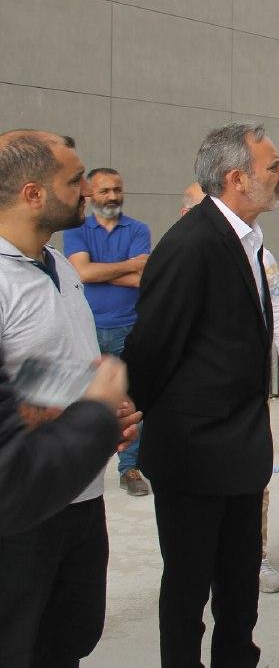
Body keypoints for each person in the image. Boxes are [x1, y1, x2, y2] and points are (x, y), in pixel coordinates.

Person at [123, 123, 279, 666]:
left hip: (240, 452)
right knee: (188, 589)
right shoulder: (191, 244)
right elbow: (151, 347)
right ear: (237, 178)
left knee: (239, 589)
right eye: (273, 167)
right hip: (193, 456)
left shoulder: (246, 239)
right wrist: (138, 413)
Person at [0, 129, 141, 667]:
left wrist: (101, 411)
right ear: (33, 194)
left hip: (81, 496)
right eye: (75, 180)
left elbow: (36, 371)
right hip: (21, 510)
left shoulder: (59, 264)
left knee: (71, 637)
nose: (87, 190)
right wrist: (82, 412)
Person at [179, 182, 279, 595]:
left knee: (252, 477)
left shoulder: (260, 257)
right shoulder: (179, 256)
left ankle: (254, 556)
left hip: (246, 397)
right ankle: (200, 564)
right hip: (193, 402)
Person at [62, 166, 152, 496]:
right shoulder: (76, 229)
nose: (112, 196)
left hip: (129, 328)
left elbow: (143, 278)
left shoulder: (138, 229)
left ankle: (130, 468)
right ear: (91, 195)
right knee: (82, 400)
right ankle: (83, 466)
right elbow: (81, 273)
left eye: (117, 189)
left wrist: (97, 272)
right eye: (104, 191)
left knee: (130, 401)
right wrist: (128, 266)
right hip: (89, 329)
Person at [0, 351, 131, 536]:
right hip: (30, 505)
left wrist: (109, 411)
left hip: (80, 486)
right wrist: (98, 414)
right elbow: (9, 483)